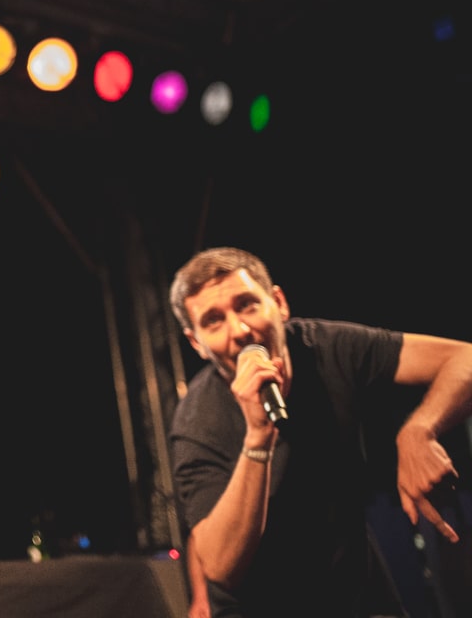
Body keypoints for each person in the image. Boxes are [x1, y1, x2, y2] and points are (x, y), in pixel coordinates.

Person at [167, 246, 472, 618]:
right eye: (214, 321)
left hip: (354, 589)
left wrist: (420, 430)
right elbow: (219, 565)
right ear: (196, 343)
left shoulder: (326, 347)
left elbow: (464, 358)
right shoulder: (197, 421)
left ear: (278, 302)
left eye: (247, 305)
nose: (240, 331)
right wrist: (258, 438)